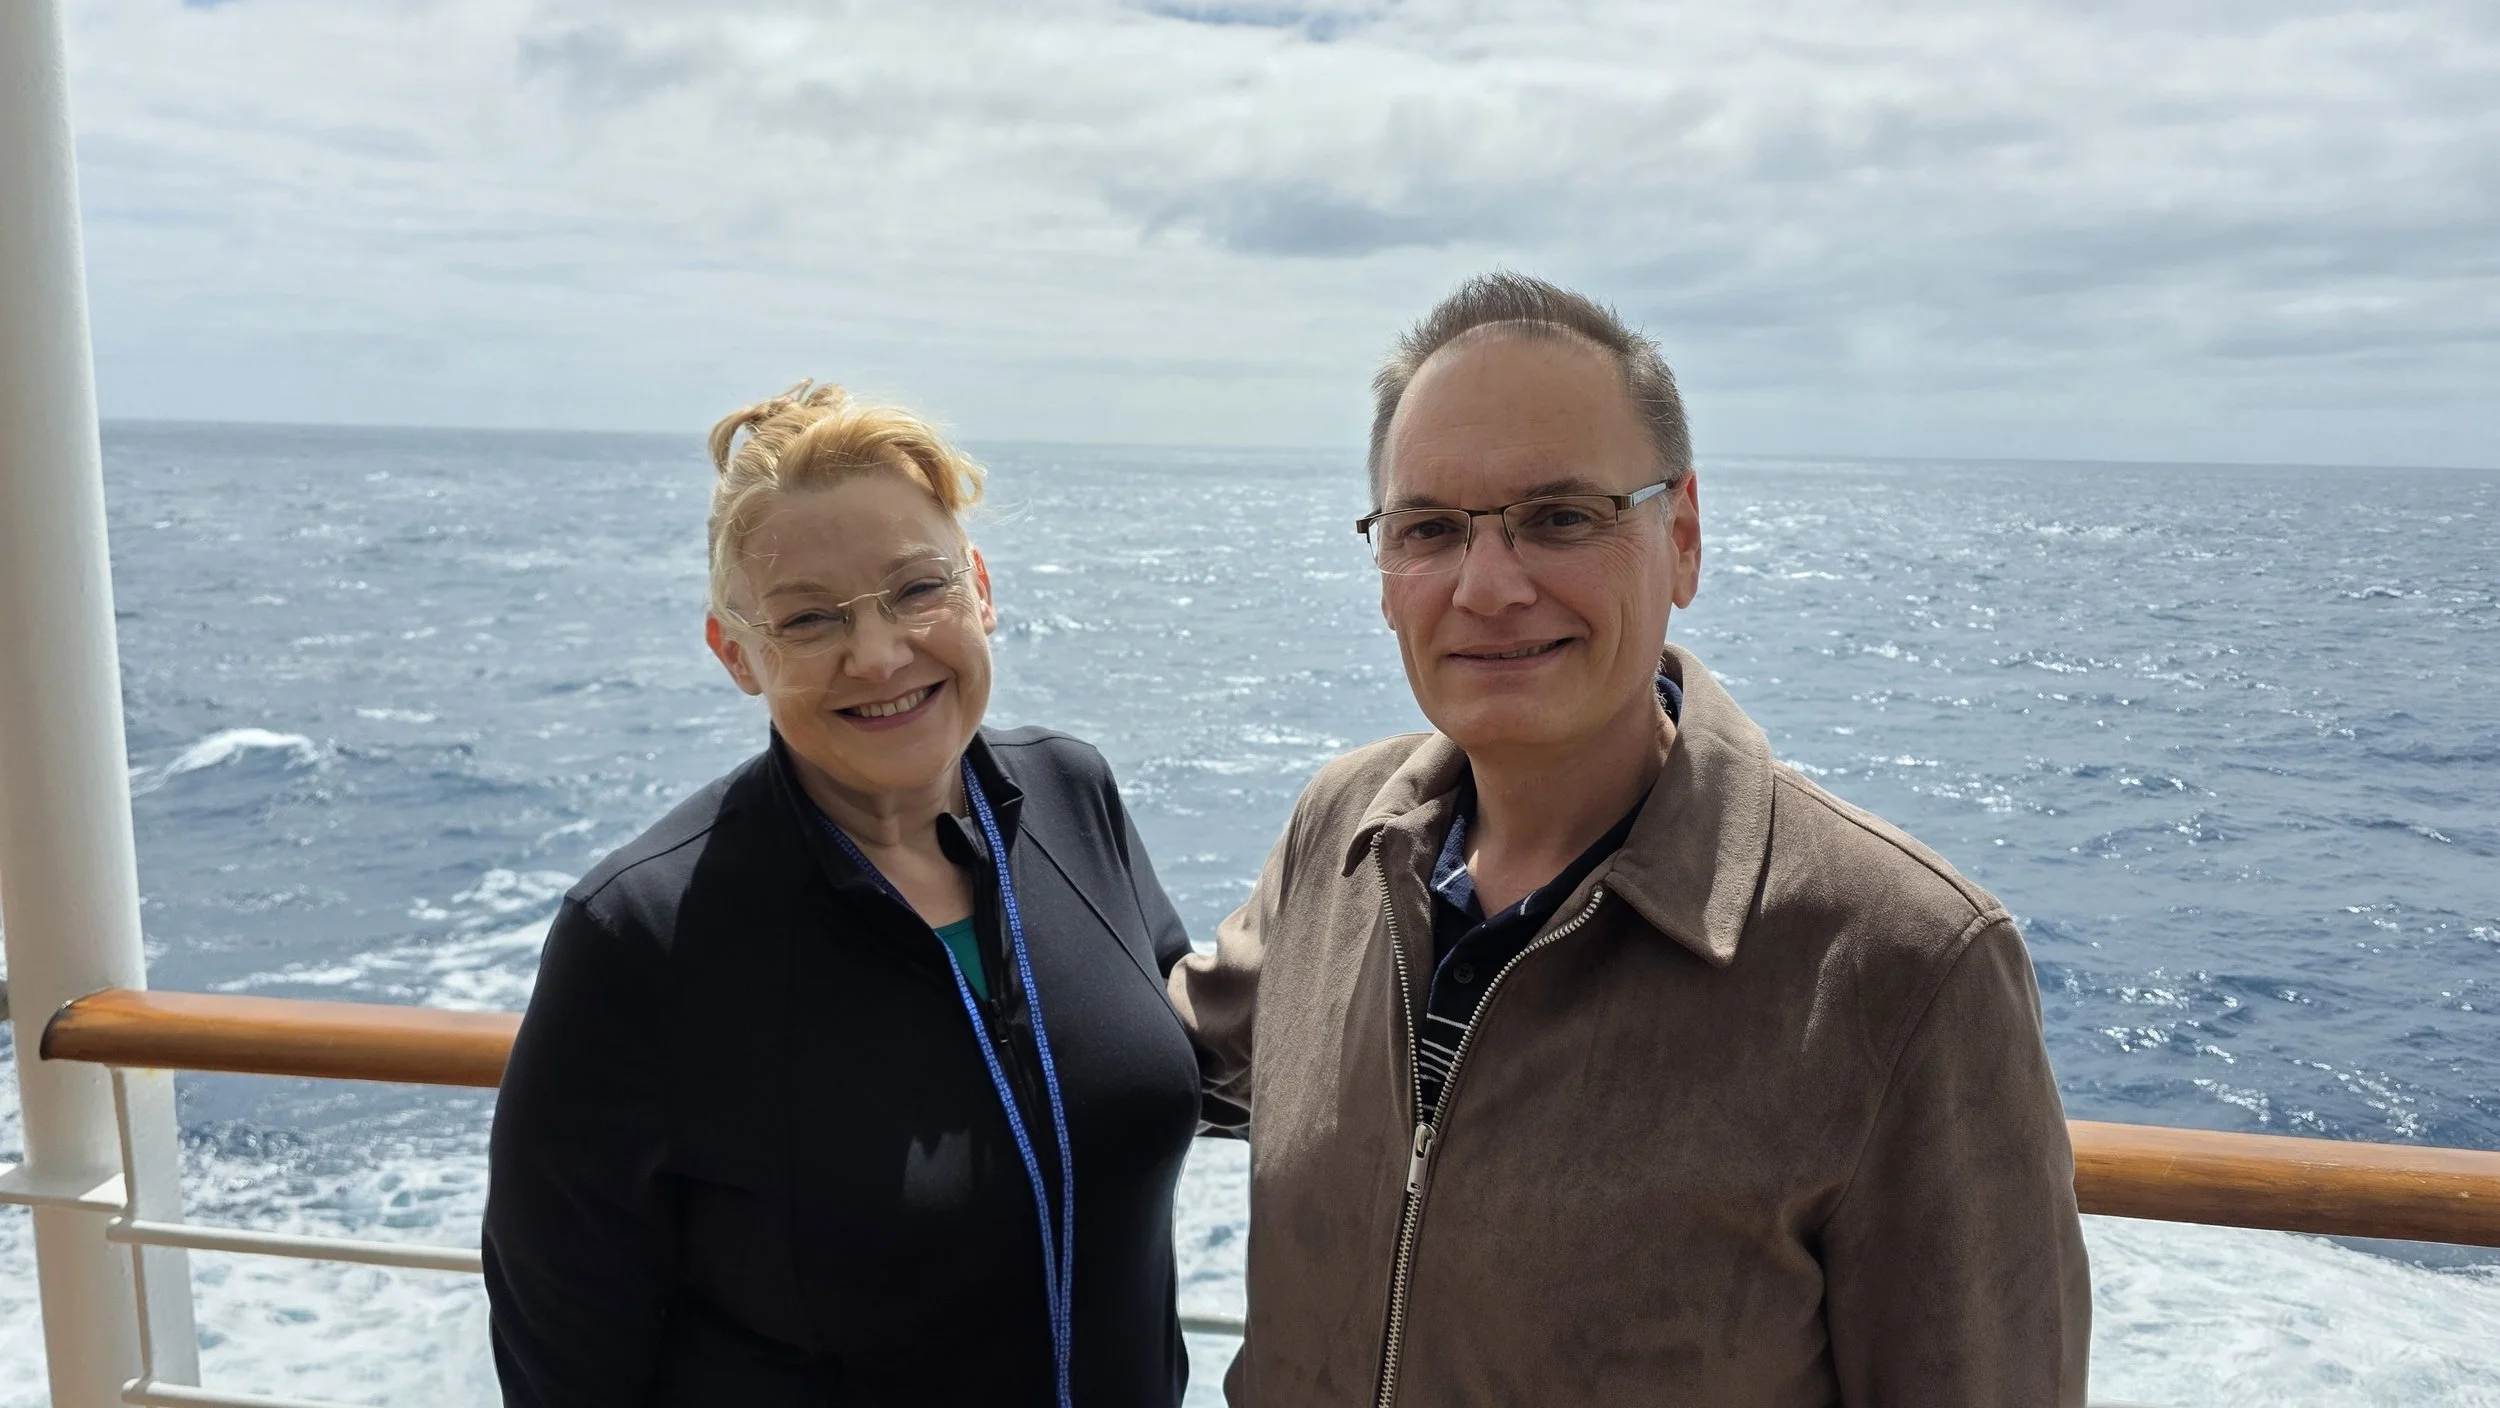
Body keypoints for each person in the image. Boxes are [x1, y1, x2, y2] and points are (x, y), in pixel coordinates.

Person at [1172, 274, 2091, 1406]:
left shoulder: (1900, 962)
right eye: (1429, 529)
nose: (1489, 585)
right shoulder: (1343, 835)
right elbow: (1136, 1050)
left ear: (1684, 538)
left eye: (1561, 517)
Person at [484, 382, 1203, 1407]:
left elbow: (1181, 1026)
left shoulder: (1071, 795)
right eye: (810, 618)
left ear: (981, 590)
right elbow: (565, 1370)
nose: (878, 654)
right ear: (736, 653)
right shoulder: (640, 935)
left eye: (917, 590)